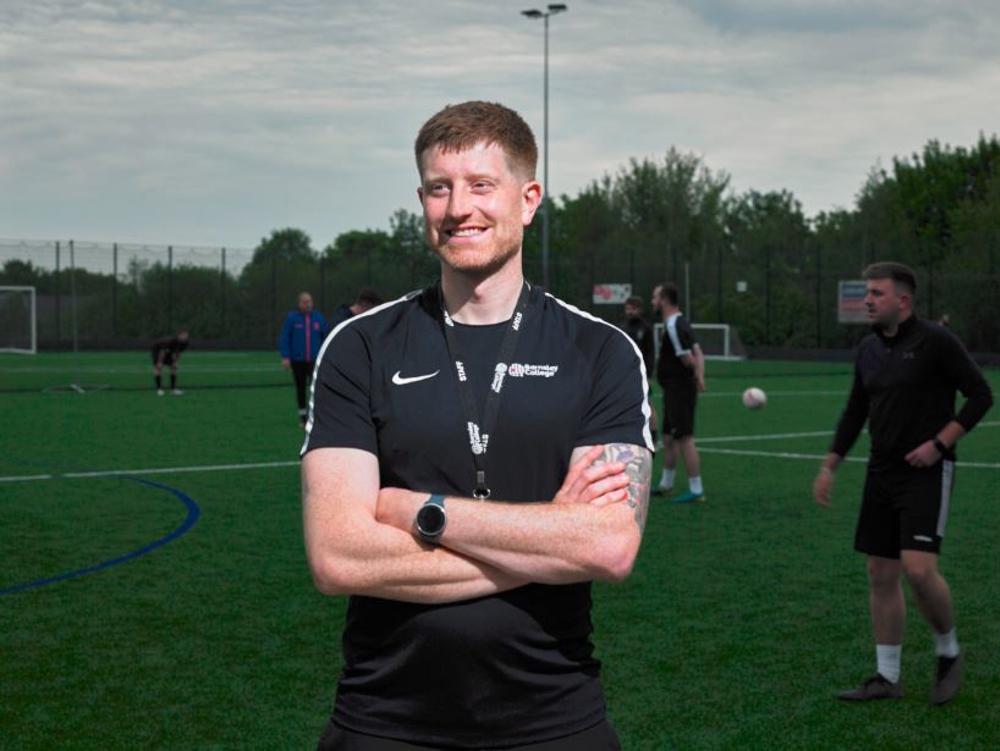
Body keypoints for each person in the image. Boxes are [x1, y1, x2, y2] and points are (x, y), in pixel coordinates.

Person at [302, 100, 654, 750]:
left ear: (528, 198)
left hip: (556, 719)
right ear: (422, 200)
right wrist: (549, 540)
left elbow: (608, 545)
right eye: (440, 187)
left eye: (481, 185)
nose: (458, 206)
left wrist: (418, 509)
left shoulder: (600, 350)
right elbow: (337, 555)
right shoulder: (361, 347)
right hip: (384, 721)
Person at [812, 262, 993, 705]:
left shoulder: (937, 342)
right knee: (880, 572)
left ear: (903, 300)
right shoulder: (868, 349)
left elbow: (981, 396)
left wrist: (939, 443)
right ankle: (887, 677)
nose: (867, 301)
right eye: (866, 293)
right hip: (881, 471)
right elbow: (856, 409)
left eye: (876, 293)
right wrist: (830, 464)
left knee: (918, 569)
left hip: (927, 472)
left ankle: (948, 652)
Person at [651, 282, 706, 503]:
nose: (653, 301)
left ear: (664, 300)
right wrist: (701, 377)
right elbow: (700, 352)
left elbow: (690, 358)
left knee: (684, 437)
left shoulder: (674, 325)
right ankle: (666, 483)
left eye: (655, 297)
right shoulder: (679, 322)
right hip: (673, 389)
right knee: (668, 437)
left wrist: (695, 375)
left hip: (680, 389)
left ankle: (696, 489)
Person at [280, 292, 329, 429]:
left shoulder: (319, 318)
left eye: (310, 301)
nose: (308, 304)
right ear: (299, 303)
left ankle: (315, 417)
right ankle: (303, 418)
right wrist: (285, 356)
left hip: (315, 361)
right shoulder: (292, 318)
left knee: (316, 389)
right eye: (305, 302)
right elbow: (285, 337)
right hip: (298, 361)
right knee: (300, 389)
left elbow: (326, 337)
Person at [622, 295, 660, 447]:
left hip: (642, 373)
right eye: (627, 308)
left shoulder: (646, 328)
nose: (630, 312)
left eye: (633, 309)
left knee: (648, 405)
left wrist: (649, 374)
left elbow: (650, 353)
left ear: (639, 310)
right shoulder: (623, 327)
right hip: (626, 374)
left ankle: (654, 437)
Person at [151, 330, 189, 395]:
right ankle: (159, 389)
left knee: (174, 368)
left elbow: (178, 353)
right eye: (184, 335)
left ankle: (173, 389)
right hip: (158, 350)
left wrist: (175, 362)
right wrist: (160, 362)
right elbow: (163, 352)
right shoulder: (172, 341)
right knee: (158, 368)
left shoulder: (185, 343)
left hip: (168, 352)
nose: (186, 337)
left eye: (187, 335)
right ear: (179, 336)